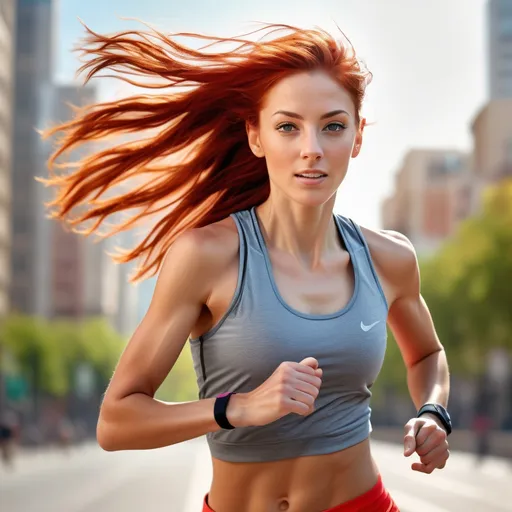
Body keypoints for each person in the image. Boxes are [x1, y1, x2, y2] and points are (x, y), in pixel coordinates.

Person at [40, 21, 452, 512]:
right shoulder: (206, 257)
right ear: (256, 136)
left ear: (357, 137)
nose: (311, 149)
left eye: (333, 126)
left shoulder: (390, 258)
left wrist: (433, 412)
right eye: (287, 126)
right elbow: (116, 422)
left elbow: (427, 356)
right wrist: (238, 407)